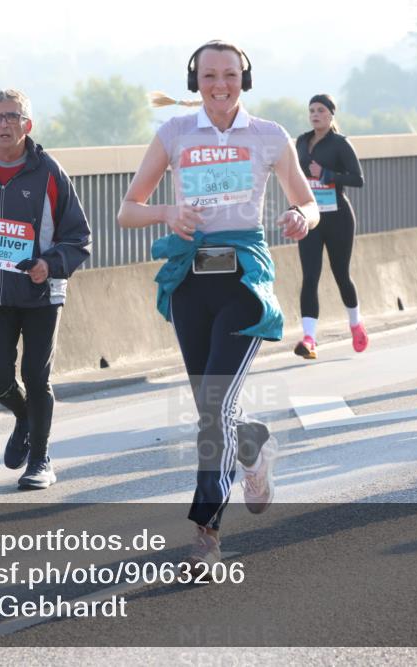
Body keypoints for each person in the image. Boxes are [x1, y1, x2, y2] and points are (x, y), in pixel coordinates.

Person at [117, 40, 318, 570]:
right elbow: (127, 210)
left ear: (244, 79)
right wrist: (166, 213)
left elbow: (307, 200)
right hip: (190, 280)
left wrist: (302, 218)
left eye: (229, 74)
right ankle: (250, 442)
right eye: (210, 75)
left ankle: (206, 532)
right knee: (214, 406)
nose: (220, 84)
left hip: (244, 281)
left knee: (211, 408)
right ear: (195, 80)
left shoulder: (269, 135)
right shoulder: (175, 133)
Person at [0, 89, 91, 491]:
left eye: (12, 116)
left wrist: (50, 264)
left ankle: (41, 459)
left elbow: (79, 237)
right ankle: (24, 417)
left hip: (41, 293)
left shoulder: (49, 172)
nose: (4, 124)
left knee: (35, 374)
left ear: (27, 125)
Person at [292, 93, 367, 359]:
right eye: (311, 110)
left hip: (338, 218)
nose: (315, 114)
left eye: (321, 110)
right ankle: (309, 339)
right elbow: (293, 176)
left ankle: (356, 324)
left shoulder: (340, 144)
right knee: (310, 277)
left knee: (340, 275)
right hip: (311, 218)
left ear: (331, 114)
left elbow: (358, 179)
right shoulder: (301, 142)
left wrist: (325, 175)